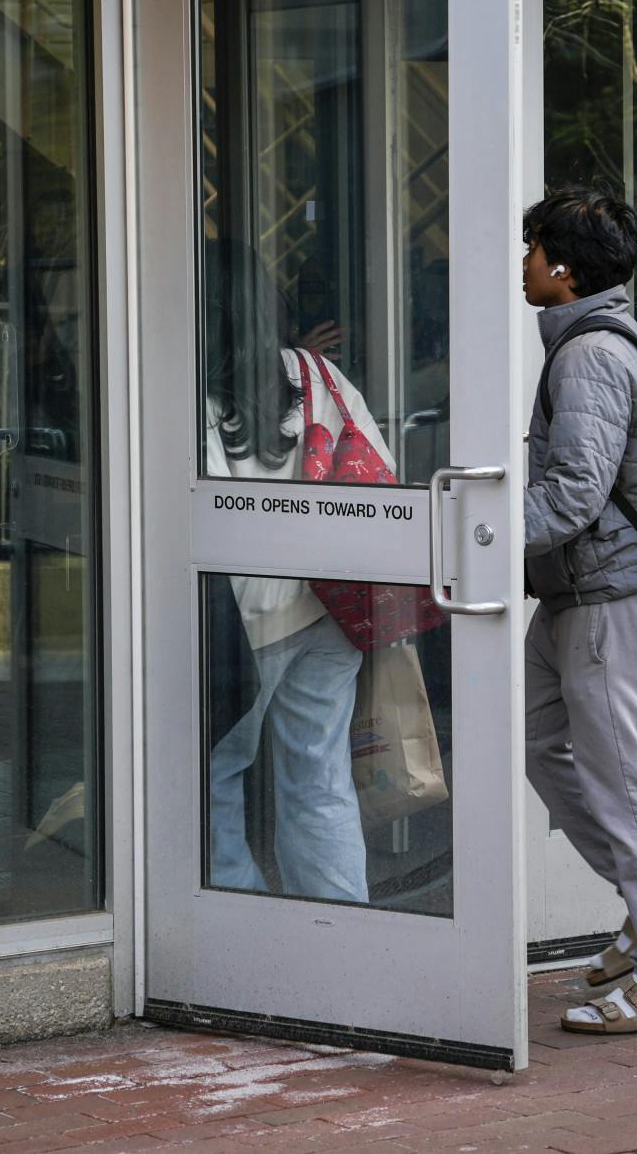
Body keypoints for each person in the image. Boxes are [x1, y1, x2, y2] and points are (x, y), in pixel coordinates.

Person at [521, 187, 637, 1036]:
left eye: (532, 249)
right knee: (540, 740)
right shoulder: (588, 340)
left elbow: (573, 494)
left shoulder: (590, 356)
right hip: (579, 588)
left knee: (620, 775)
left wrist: (465, 537)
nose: (523, 263)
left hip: (610, 591)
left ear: (564, 269)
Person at [201, 242, 381, 904]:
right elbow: (377, 472)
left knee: (214, 776)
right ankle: (338, 931)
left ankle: (243, 926)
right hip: (329, 609)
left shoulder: (183, 396)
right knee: (320, 778)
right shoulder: (317, 374)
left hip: (239, 628)